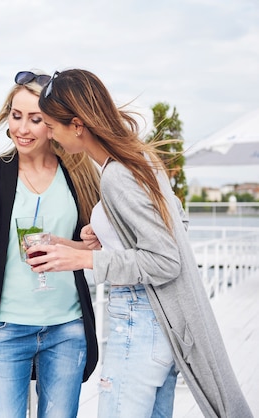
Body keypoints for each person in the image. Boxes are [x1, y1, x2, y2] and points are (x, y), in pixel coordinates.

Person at [36, 68, 253, 417]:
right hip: (159, 322)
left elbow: (166, 260)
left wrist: (85, 262)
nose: (48, 134)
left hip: (139, 317)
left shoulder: (117, 175)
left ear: (77, 125)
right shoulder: (137, 160)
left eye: (50, 125)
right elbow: (176, 222)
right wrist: (94, 240)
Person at [0, 70, 101, 418]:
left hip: (68, 326)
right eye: (16, 115)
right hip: (6, 327)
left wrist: (79, 244)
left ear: (53, 122)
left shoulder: (79, 174)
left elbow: (95, 250)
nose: (22, 128)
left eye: (35, 119)